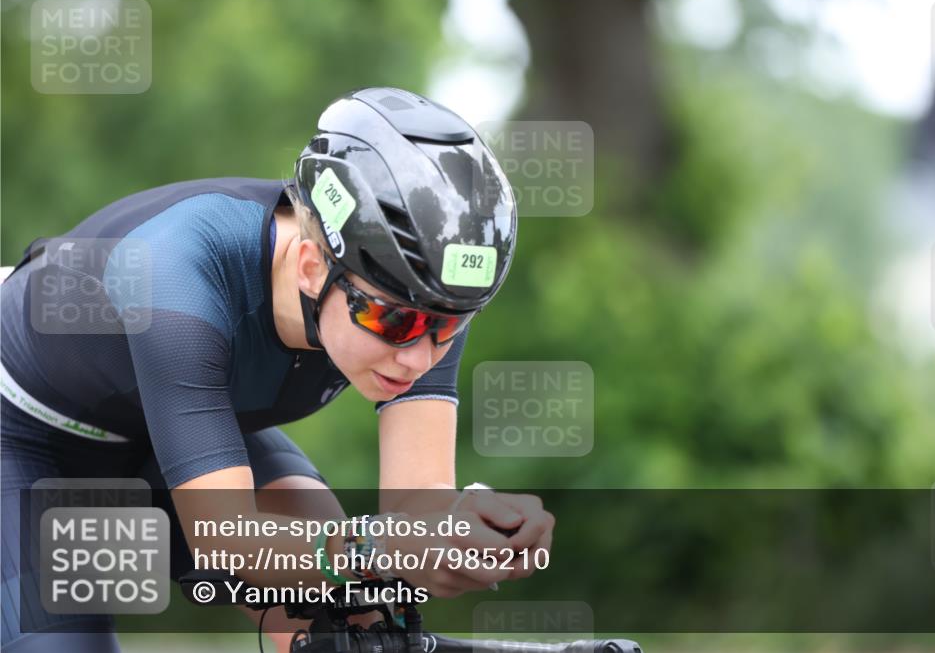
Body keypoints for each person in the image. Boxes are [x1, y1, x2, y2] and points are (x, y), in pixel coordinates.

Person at [1, 87, 555, 652]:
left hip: (163, 430)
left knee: (359, 627)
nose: (419, 356)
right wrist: (382, 549)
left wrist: (473, 525)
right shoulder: (178, 272)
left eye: (451, 326)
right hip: (22, 435)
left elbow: (416, 511)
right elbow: (227, 542)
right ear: (313, 267)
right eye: (394, 321)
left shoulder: (426, 299)